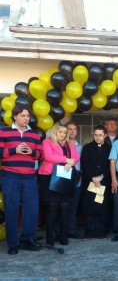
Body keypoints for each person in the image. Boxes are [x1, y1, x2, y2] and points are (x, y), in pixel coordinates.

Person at [0, 105, 43, 255]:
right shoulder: (4, 131)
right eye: (23, 116)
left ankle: (27, 239)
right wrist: (14, 150)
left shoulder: (35, 134)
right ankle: (13, 243)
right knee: (11, 210)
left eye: (28, 116)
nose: (27, 119)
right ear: (15, 116)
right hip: (10, 176)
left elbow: (41, 155)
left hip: (30, 176)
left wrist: (32, 152)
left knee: (31, 209)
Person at [38, 122, 80, 246]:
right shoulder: (47, 142)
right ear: (55, 131)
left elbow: (76, 157)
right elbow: (48, 156)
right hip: (50, 177)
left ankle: (63, 236)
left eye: (65, 132)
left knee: (65, 207)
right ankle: (50, 237)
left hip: (64, 177)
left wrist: (70, 163)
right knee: (52, 207)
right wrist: (65, 159)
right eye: (60, 132)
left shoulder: (69, 144)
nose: (63, 134)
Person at [80, 125, 111, 241]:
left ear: (105, 136)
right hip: (90, 181)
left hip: (103, 182)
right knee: (90, 207)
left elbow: (111, 165)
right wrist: (93, 178)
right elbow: (85, 164)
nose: (98, 137)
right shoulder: (87, 147)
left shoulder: (109, 148)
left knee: (101, 206)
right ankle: (89, 232)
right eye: (96, 135)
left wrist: (101, 177)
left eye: (100, 135)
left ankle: (101, 232)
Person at [55, 121, 83, 240]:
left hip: (77, 180)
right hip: (62, 179)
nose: (72, 131)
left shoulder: (80, 147)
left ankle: (71, 230)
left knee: (73, 206)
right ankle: (58, 232)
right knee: (59, 206)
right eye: (69, 129)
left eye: (74, 129)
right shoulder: (58, 144)